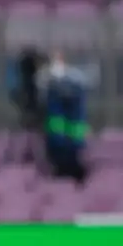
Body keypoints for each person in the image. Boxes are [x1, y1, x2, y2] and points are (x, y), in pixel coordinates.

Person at [38, 51, 88, 184]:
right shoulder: (47, 76)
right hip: (58, 145)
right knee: (59, 140)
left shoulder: (75, 76)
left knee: (69, 143)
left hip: (71, 145)